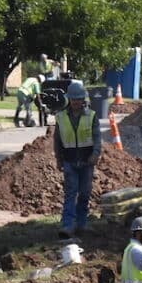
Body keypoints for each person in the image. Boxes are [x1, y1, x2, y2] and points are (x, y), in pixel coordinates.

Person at [52, 80, 99, 237]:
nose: (76, 102)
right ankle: (68, 225)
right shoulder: (61, 117)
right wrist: (59, 159)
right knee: (71, 193)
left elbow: (97, 139)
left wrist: (95, 154)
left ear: (83, 99)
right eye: (74, 99)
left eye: (79, 99)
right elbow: (57, 140)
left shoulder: (91, 116)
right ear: (69, 99)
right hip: (70, 160)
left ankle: (82, 223)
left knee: (85, 193)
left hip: (87, 161)